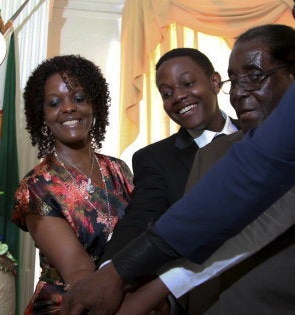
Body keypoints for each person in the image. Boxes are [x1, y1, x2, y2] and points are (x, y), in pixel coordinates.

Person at [115, 24, 295, 315]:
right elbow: (186, 240)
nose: (238, 93)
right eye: (234, 81)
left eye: (255, 77)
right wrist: (127, 280)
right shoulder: (208, 156)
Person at [98, 47, 239, 313]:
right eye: (167, 93)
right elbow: (141, 217)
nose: (178, 97)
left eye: (187, 83)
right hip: (200, 297)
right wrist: (108, 274)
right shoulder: (154, 158)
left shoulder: (261, 135)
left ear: (215, 81)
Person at [11, 55, 134, 314]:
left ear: (94, 105)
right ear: (42, 115)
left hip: (126, 298)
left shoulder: (118, 169)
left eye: (79, 98)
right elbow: (78, 271)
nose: (68, 108)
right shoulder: (37, 186)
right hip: (69, 306)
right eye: (54, 103)